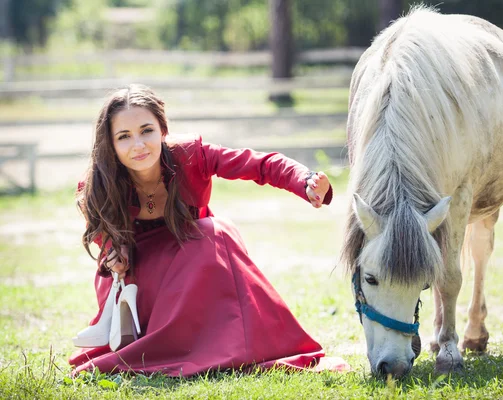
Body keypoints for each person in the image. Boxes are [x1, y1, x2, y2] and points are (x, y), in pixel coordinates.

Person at [69, 84, 344, 377]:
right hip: (138, 275)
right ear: (110, 144)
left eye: (146, 130)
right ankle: (162, 346)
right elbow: (102, 236)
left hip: (194, 264)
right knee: (210, 235)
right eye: (124, 136)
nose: (138, 145)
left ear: (163, 130)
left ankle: (241, 345)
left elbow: (260, 165)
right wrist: (114, 252)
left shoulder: (191, 155)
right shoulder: (97, 185)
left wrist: (306, 180)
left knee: (215, 232)